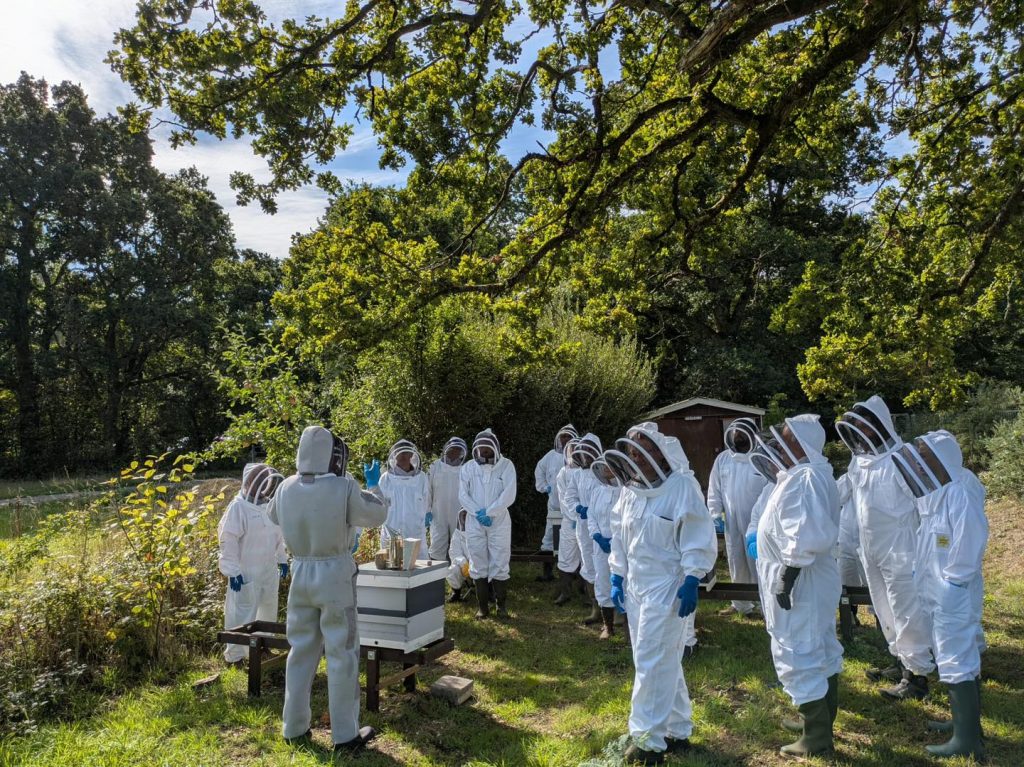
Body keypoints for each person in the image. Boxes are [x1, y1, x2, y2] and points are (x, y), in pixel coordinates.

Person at [269, 426, 387, 753]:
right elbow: (377, 514)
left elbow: (272, 515)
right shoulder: (344, 486)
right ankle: (346, 735)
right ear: (334, 455)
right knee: (341, 654)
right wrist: (375, 485)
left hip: (300, 571)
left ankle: (293, 727)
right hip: (334, 574)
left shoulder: (285, 487)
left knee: (300, 651)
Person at [605, 422, 718, 765]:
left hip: (668, 587)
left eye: (645, 450)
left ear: (661, 452)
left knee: (652, 661)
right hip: (636, 586)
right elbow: (619, 532)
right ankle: (677, 730)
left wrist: (693, 577)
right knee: (661, 658)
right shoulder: (630, 489)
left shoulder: (681, 486)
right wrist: (616, 574)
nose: (637, 456)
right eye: (633, 451)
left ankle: (647, 741)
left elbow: (697, 533)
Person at [891, 431, 987, 761]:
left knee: (957, 656)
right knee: (953, 655)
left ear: (942, 457)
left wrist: (953, 584)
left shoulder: (960, 491)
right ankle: (965, 724)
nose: (919, 462)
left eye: (925, 455)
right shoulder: (938, 490)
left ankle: (967, 741)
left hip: (953, 590)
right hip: (938, 586)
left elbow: (970, 541)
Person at [750, 415, 842, 758]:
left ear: (803, 444)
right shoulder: (806, 474)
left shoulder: (804, 478)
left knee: (796, 649)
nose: (780, 446)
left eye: (787, 440)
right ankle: (818, 721)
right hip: (809, 577)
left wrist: (785, 578)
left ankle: (816, 737)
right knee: (818, 646)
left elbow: (804, 533)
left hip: (800, 579)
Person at [838, 396, 935, 699]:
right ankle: (900, 661)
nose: (860, 432)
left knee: (907, 611)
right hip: (871, 548)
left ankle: (917, 677)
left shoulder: (902, 459)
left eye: (864, 425)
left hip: (901, 549)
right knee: (883, 607)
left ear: (878, 425)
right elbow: (844, 491)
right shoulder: (859, 461)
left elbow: (926, 505)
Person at [218, 463, 287, 666]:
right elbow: (228, 539)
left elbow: (279, 534)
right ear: (249, 482)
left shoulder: (269, 506)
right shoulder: (238, 507)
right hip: (245, 571)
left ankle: (263, 648)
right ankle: (235, 657)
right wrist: (232, 570)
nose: (264, 484)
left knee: (268, 609)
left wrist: (282, 559)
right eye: (259, 479)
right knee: (241, 613)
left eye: (266, 480)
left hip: (268, 569)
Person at [707, 417, 767, 617]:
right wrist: (715, 513)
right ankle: (740, 604)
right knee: (736, 561)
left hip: (758, 523)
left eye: (741, 433)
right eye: (735, 433)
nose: (737, 437)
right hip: (731, 522)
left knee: (758, 563)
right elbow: (714, 488)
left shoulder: (762, 458)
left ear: (752, 435)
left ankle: (764, 605)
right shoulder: (723, 459)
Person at [459, 428, 517, 619]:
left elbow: (509, 493)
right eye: (480, 448)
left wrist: (491, 512)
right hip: (475, 521)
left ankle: (501, 606)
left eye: (487, 447)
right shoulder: (468, 467)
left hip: (499, 521)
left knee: (500, 561)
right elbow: (463, 494)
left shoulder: (506, 465)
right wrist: (478, 512)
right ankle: (483, 607)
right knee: (477, 560)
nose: (484, 451)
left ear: (495, 447)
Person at [535, 425, 579, 580]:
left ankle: (574, 572)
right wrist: (544, 486)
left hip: (574, 510)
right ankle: (548, 573)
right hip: (555, 506)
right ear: (559, 439)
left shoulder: (579, 456)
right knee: (551, 538)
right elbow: (539, 470)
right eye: (563, 436)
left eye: (569, 436)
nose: (566, 439)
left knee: (574, 540)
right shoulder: (551, 456)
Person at [571, 433, 604, 625]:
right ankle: (596, 607)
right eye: (583, 450)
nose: (586, 453)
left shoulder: (606, 471)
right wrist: (577, 508)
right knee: (589, 565)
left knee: (609, 565)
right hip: (584, 527)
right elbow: (570, 496)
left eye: (590, 449)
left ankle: (615, 609)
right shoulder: (576, 474)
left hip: (604, 525)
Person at [589, 457, 624, 640]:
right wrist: (597, 536)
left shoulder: (626, 491)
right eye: (602, 467)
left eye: (609, 466)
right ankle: (608, 626)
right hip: (601, 547)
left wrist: (616, 540)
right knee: (602, 582)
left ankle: (628, 624)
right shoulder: (597, 491)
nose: (605, 470)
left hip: (622, 546)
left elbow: (627, 519)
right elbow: (591, 516)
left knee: (625, 582)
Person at [377, 439, 431, 552]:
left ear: (412, 455)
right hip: (391, 533)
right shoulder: (386, 478)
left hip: (416, 533)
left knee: (419, 562)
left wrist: (428, 513)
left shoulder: (421, 478)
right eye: (399, 453)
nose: (403, 456)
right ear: (394, 456)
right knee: (391, 561)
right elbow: (377, 504)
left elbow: (427, 501)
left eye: (406, 453)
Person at [836, 472, 869, 625]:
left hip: (869, 537)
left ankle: (881, 622)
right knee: (845, 579)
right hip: (846, 538)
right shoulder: (848, 477)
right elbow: (837, 496)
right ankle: (849, 617)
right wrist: (850, 478)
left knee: (873, 581)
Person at [554, 438, 583, 606]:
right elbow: (564, 498)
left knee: (588, 557)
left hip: (587, 522)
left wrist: (583, 517)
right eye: (572, 449)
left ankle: (587, 594)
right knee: (566, 556)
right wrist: (574, 516)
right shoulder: (563, 473)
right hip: (569, 522)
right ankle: (565, 593)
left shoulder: (591, 472)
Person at [428, 437, 467, 561]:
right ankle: (437, 571)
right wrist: (427, 510)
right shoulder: (435, 466)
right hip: (438, 512)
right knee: (437, 543)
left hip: (459, 512)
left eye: (457, 450)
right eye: (452, 449)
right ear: (446, 450)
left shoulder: (466, 469)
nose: (454, 452)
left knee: (461, 544)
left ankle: (461, 571)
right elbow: (428, 490)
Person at [446, 509, 471, 603]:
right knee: (453, 570)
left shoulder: (479, 531)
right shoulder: (457, 535)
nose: (464, 519)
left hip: (479, 564)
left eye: (466, 516)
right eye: (462, 516)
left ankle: (489, 593)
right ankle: (456, 593)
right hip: (464, 565)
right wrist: (464, 564)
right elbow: (454, 553)